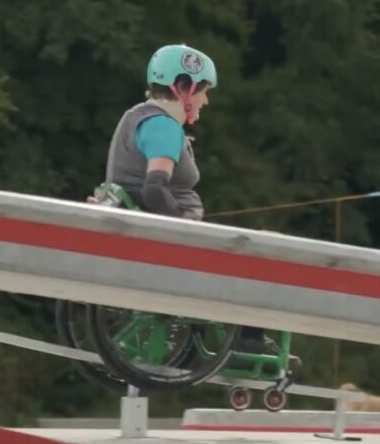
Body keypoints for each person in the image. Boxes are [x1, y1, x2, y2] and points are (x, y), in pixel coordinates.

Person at [101, 42, 273, 354]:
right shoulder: (162, 126)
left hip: (146, 235)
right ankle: (247, 342)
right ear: (183, 87)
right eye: (203, 91)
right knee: (256, 252)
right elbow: (155, 189)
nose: (206, 100)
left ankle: (226, 342)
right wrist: (186, 230)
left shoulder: (136, 117)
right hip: (166, 242)